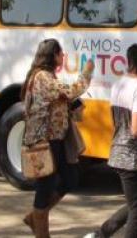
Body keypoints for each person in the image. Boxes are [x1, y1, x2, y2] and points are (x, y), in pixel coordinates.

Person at [84, 43, 137, 238]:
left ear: (129, 62)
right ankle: (100, 234)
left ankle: (99, 235)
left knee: (135, 204)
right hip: (132, 158)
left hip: (118, 151)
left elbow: (121, 122)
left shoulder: (118, 84)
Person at [21, 39, 88, 238]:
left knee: (70, 178)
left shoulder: (48, 77)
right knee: (45, 187)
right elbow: (70, 91)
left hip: (56, 140)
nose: (63, 57)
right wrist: (87, 73)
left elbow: (62, 99)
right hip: (44, 142)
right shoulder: (42, 77)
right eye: (60, 53)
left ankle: (35, 217)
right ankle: (41, 231)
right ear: (53, 56)